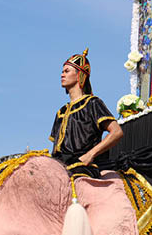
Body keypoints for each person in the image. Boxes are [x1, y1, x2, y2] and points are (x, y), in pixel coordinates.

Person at [49, 48, 122, 176]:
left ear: (79, 75)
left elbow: (116, 132)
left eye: (67, 71)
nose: (62, 75)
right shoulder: (61, 112)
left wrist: (90, 155)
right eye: (62, 71)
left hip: (83, 168)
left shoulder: (92, 103)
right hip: (59, 168)